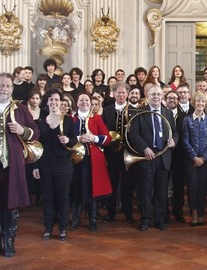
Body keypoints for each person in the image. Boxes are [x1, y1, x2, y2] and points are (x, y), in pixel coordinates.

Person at [0, 73, 39, 258]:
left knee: (11, 203)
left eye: (7, 86)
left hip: (13, 164)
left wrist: (23, 130)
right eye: (1, 86)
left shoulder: (21, 110)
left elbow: (36, 132)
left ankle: (9, 241)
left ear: (12, 89)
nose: (4, 89)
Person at [126, 85, 178, 231]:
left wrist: (174, 141)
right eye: (153, 94)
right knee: (145, 191)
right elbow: (134, 134)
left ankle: (159, 219)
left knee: (161, 192)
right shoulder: (139, 113)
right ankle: (145, 219)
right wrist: (144, 148)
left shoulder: (168, 113)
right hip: (147, 157)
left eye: (158, 94)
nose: (156, 97)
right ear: (147, 96)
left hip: (163, 158)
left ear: (162, 96)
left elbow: (175, 132)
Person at [32, 89, 76, 241]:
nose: (53, 102)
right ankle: (48, 227)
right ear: (47, 102)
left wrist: (68, 141)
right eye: (51, 100)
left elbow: (75, 141)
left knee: (63, 197)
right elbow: (37, 146)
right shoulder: (41, 122)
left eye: (56, 100)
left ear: (60, 102)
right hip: (45, 165)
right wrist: (36, 166)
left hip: (63, 164)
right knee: (48, 198)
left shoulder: (68, 120)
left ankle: (63, 228)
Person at [69, 93, 113, 232]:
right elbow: (67, 137)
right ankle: (75, 219)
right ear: (77, 103)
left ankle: (93, 220)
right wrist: (78, 138)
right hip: (75, 160)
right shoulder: (71, 119)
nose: (84, 102)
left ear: (91, 103)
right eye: (81, 100)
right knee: (76, 188)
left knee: (92, 188)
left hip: (93, 160)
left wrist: (93, 138)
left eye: (86, 100)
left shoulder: (97, 119)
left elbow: (107, 138)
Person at [101, 83, 137, 224]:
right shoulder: (107, 110)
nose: (121, 95)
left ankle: (128, 213)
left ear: (127, 94)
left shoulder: (135, 110)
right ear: (113, 94)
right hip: (112, 154)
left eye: (123, 93)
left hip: (129, 153)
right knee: (112, 184)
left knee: (128, 185)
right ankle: (110, 213)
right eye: (118, 93)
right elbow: (103, 132)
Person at [182, 91, 207, 227]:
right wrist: (194, 157)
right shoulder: (187, 120)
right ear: (194, 103)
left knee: (202, 187)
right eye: (198, 101)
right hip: (191, 160)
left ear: (206, 104)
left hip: (205, 160)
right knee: (193, 187)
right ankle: (194, 212)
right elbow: (185, 140)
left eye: (203, 102)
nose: (200, 104)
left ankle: (201, 213)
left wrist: (203, 157)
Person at [165, 89, 190, 223]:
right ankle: (165, 212)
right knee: (163, 185)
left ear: (178, 100)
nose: (172, 100)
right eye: (169, 98)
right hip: (164, 155)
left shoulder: (185, 116)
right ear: (166, 100)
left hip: (180, 156)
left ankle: (178, 212)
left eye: (174, 98)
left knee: (179, 185)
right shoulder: (161, 114)